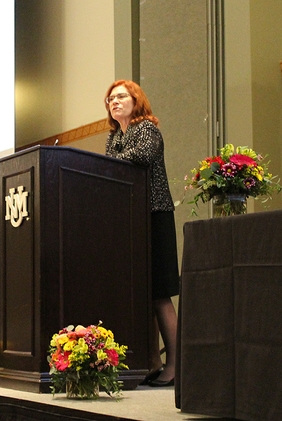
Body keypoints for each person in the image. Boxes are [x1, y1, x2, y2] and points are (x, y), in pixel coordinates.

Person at [104, 80, 179, 387]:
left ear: (136, 100)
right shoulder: (113, 138)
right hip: (130, 221)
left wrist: (107, 163)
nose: (114, 102)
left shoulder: (146, 128)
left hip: (154, 215)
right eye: (110, 99)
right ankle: (150, 363)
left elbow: (140, 158)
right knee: (141, 294)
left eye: (121, 96)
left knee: (159, 293)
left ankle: (177, 364)